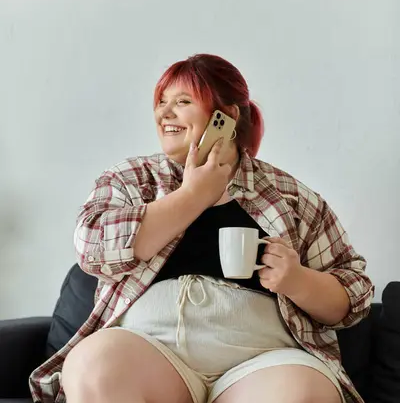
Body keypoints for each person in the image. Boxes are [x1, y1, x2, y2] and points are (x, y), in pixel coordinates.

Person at [30, 53, 374, 403]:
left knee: (304, 392)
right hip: (148, 352)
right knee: (92, 366)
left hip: (263, 360)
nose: (164, 113)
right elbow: (91, 249)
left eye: (182, 102)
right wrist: (194, 194)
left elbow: (354, 299)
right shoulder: (131, 180)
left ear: (228, 116)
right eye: (161, 102)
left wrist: (297, 279)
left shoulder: (292, 196)